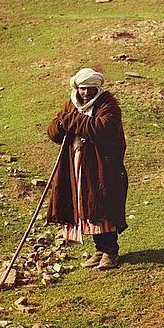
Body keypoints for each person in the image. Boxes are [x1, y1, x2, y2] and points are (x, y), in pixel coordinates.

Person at [46, 68, 128, 270]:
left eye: (91, 88)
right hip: (76, 163)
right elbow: (54, 132)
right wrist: (61, 124)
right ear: (77, 88)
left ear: (97, 88)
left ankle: (111, 252)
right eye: (83, 88)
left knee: (101, 203)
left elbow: (103, 128)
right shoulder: (72, 104)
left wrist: (71, 119)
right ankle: (99, 250)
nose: (87, 93)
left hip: (101, 167)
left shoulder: (107, 104)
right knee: (86, 206)